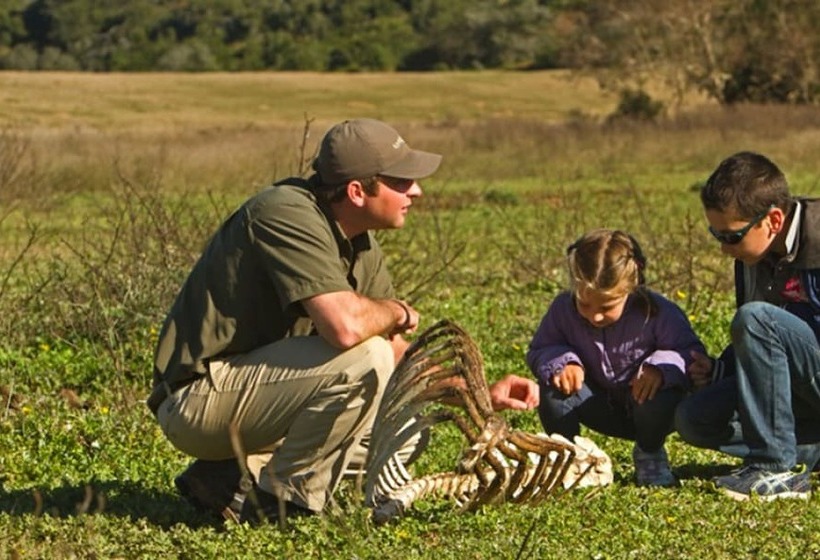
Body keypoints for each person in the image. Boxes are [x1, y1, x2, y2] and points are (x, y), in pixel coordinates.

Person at [146, 117, 539, 523]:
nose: (416, 191)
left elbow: (396, 356)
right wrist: (396, 311)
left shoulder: (360, 243)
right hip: (197, 401)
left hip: (262, 400)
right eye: (401, 181)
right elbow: (346, 328)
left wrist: (478, 394)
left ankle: (233, 480)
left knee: (407, 426)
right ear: (356, 191)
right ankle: (282, 506)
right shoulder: (283, 212)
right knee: (366, 357)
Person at [674, 151, 820, 501]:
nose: (724, 249)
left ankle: (775, 469)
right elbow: (767, 342)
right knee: (694, 418)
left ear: (773, 220)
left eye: (731, 236)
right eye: (716, 235)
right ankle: (807, 450)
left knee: (756, 318)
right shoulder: (753, 253)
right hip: (801, 388)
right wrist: (720, 369)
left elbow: (763, 323)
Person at [527, 229, 706, 487]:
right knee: (552, 388)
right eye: (584, 304)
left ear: (631, 288)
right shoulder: (563, 310)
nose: (595, 316)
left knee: (661, 395)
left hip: (650, 409)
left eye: (607, 306)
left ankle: (649, 453)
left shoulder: (658, 312)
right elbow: (541, 348)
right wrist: (562, 362)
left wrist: (660, 368)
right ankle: (567, 458)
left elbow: (689, 353)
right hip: (597, 403)